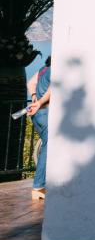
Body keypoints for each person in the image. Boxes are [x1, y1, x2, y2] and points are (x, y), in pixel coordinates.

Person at [25, 57, 51, 201]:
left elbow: (30, 83)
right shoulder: (55, 70)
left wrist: (34, 97)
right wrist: (40, 102)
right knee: (48, 147)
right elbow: (53, 89)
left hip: (37, 115)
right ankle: (39, 185)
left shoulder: (43, 69)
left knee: (47, 146)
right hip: (45, 111)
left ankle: (42, 184)